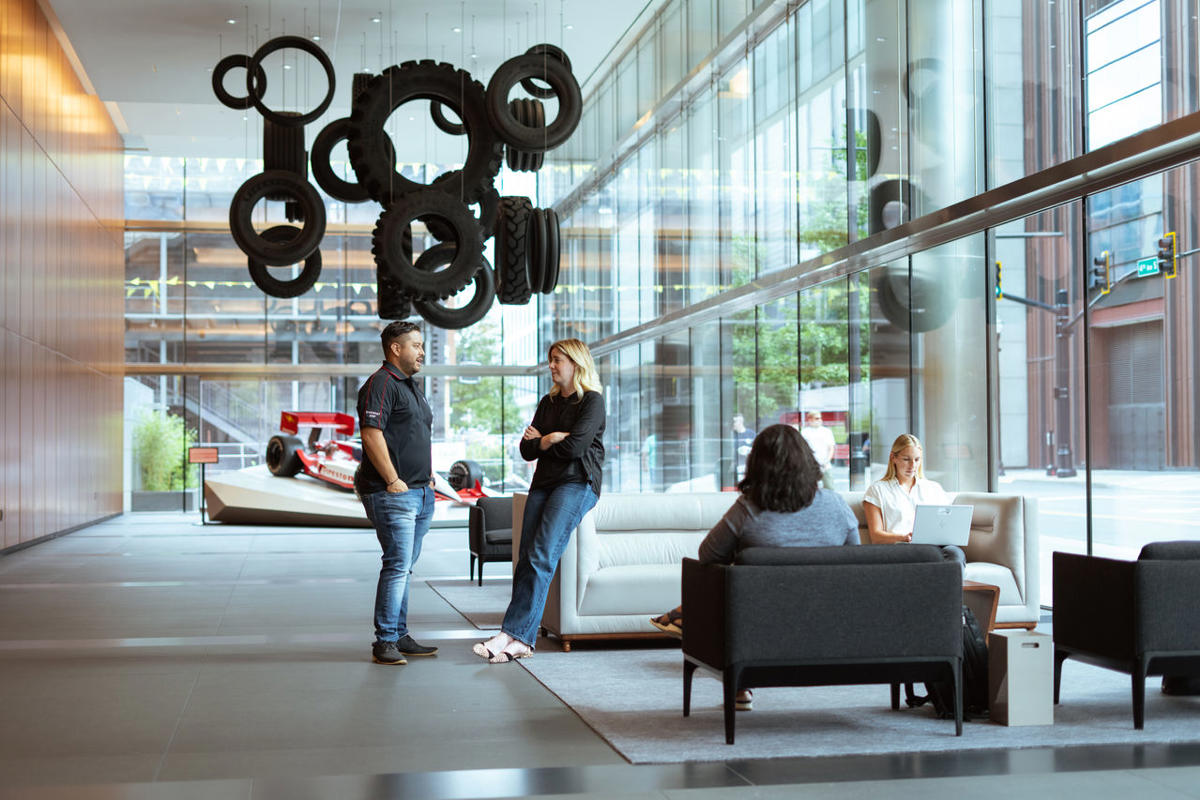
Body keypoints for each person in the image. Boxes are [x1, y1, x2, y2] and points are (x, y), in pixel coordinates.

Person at [649, 424, 859, 709]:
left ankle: (724, 662)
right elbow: (854, 561)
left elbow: (708, 555)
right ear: (809, 462)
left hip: (757, 625)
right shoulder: (837, 505)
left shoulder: (748, 508)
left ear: (758, 466)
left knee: (727, 576)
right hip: (828, 622)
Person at [474, 339, 606, 663]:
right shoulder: (548, 403)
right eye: (550, 360)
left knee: (541, 556)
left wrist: (546, 441)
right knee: (525, 558)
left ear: (575, 363)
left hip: (577, 483)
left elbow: (575, 449)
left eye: (557, 360)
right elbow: (526, 448)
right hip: (544, 483)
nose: (551, 366)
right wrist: (550, 439)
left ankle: (514, 635)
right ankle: (516, 636)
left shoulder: (592, 401)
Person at [355, 321, 439, 666]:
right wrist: (392, 479)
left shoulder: (410, 387)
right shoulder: (381, 384)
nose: (422, 352)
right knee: (397, 566)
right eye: (416, 345)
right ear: (395, 348)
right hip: (394, 495)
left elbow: (414, 436)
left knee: (404, 568)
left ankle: (399, 635)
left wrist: (429, 478)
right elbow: (371, 434)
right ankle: (385, 641)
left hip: (419, 493)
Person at [862, 433, 965, 568]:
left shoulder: (933, 488)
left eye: (917, 460)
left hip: (933, 547)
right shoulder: (877, 490)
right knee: (930, 556)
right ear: (893, 458)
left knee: (955, 554)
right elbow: (876, 536)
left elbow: (946, 523)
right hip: (900, 548)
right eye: (906, 459)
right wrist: (903, 537)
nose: (912, 465)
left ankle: (949, 587)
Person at [801, 410, 836, 490]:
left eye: (820, 418)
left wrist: (826, 461)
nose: (819, 420)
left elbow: (831, 448)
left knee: (830, 487)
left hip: (825, 465)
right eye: (816, 418)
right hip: (810, 466)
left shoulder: (826, 432)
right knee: (809, 489)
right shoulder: (804, 432)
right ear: (810, 419)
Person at [731, 414, 755, 482]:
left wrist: (747, 450)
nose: (734, 424)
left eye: (735, 421)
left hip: (748, 465)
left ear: (741, 422)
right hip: (738, 465)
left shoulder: (751, 434)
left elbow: (756, 448)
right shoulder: (732, 435)